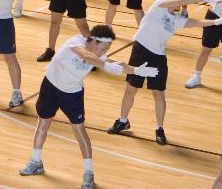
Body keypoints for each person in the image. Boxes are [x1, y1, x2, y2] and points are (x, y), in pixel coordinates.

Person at [18, 24, 158, 189]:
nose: (104, 52)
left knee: (79, 131)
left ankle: (88, 174)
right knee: (43, 124)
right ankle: (36, 162)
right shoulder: (75, 43)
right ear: (93, 41)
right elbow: (86, 56)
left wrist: (136, 71)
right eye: (104, 48)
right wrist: (105, 65)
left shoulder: (98, 55)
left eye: (107, 49)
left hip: (73, 94)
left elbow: (115, 63)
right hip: (50, 87)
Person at [108, 0, 222, 143]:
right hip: (140, 51)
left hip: (159, 56)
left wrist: (217, 21)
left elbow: (195, 23)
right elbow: (181, 2)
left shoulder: (177, 19)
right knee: (131, 89)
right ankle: (123, 121)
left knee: (159, 94)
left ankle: (159, 128)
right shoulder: (159, 5)